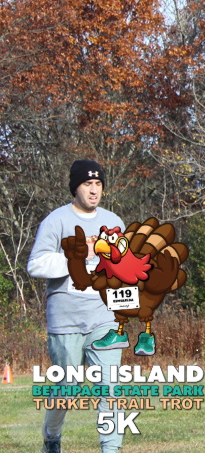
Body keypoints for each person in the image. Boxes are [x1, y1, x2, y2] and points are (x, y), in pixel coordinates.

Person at [27, 159, 125, 453]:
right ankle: (52, 436)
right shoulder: (56, 221)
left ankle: (111, 448)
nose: (94, 190)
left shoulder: (114, 222)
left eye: (98, 184)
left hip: (104, 319)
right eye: (87, 184)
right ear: (75, 188)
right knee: (68, 390)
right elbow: (36, 264)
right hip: (66, 320)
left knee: (110, 387)